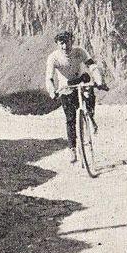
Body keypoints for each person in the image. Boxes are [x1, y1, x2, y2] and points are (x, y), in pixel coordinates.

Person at [45, 31, 108, 163]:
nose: (64, 46)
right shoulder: (53, 57)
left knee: (89, 92)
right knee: (70, 119)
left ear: (72, 41)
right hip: (65, 88)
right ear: (57, 44)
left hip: (81, 81)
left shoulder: (80, 51)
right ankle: (72, 149)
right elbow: (49, 78)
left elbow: (92, 66)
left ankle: (90, 115)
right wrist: (52, 91)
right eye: (61, 43)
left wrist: (99, 81)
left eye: (67, 42)